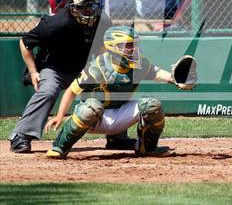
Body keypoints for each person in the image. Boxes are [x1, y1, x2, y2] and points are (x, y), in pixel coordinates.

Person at [44, 26, 193, 159]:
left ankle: (147, 148)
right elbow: (71, 91)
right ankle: (60, 147)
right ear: (114, 47)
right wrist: (59, 115)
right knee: (91, 107)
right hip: (96, 118)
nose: (133, 49)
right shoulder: (98, 67)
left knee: (152, 106)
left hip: (121, 114)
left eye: (134, 45)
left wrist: (177, 80)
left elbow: (158, 73)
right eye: (128, 46)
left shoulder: (139, 64)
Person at [8, 0, 116, 153]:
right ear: (72, 8)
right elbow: (25, 43)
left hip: (83, 68)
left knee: (111, 84)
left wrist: (101, 69)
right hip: (54, 68)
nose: (89, 10)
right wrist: (33, 72)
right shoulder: (55, 24)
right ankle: (20, 136)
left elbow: (103, 46)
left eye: (92, 6)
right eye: (84, 6)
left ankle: (117, 136)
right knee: (48, 91)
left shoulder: (102, 20)